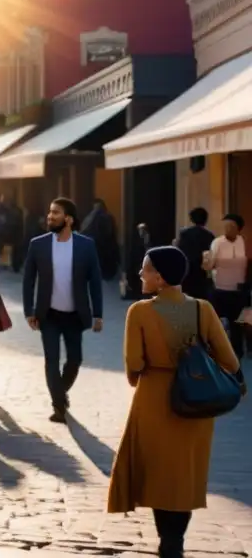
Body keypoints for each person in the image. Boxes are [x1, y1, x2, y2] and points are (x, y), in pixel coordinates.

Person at [108, 246, 243, 558]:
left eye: (146, 269)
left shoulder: (139, 312)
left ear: (160, 277)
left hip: (154, 397)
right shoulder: (202, 309)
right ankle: (176, 540)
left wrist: (145, 375)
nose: (141, 274)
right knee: (185, 476)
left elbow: (134, 363)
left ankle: (166, 540)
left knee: (158, 475)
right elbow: (229, 359)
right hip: (196, 402)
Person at [22, 197, 104, 423]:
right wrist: (29, 310)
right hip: (48, 315)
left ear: (68, 219)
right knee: (51, 360)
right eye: (50, 212)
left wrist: (98, 314)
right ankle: (58, 406)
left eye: (56, 213)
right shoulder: (38, 244)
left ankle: (60, 392)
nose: (50, 216)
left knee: (75, 360)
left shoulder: (86, 245)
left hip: (74, 316)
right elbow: (28, 280)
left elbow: (95, 282)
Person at [205, 213, 248, 359]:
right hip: (220, 289)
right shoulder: (218, 242)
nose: (228, 229)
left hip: (238, 290)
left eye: (232, 226)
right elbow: (209, 265)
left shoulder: (242, 241)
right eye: (225, 226)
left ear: (239, 229)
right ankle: (217, 351)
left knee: (237, 323)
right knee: (217, 323)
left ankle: (237, 352)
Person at [174, 207, 215, 300]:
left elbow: (179, 252)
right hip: (201, 272)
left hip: (187, 271)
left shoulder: (184, 234)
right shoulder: (209, 235)